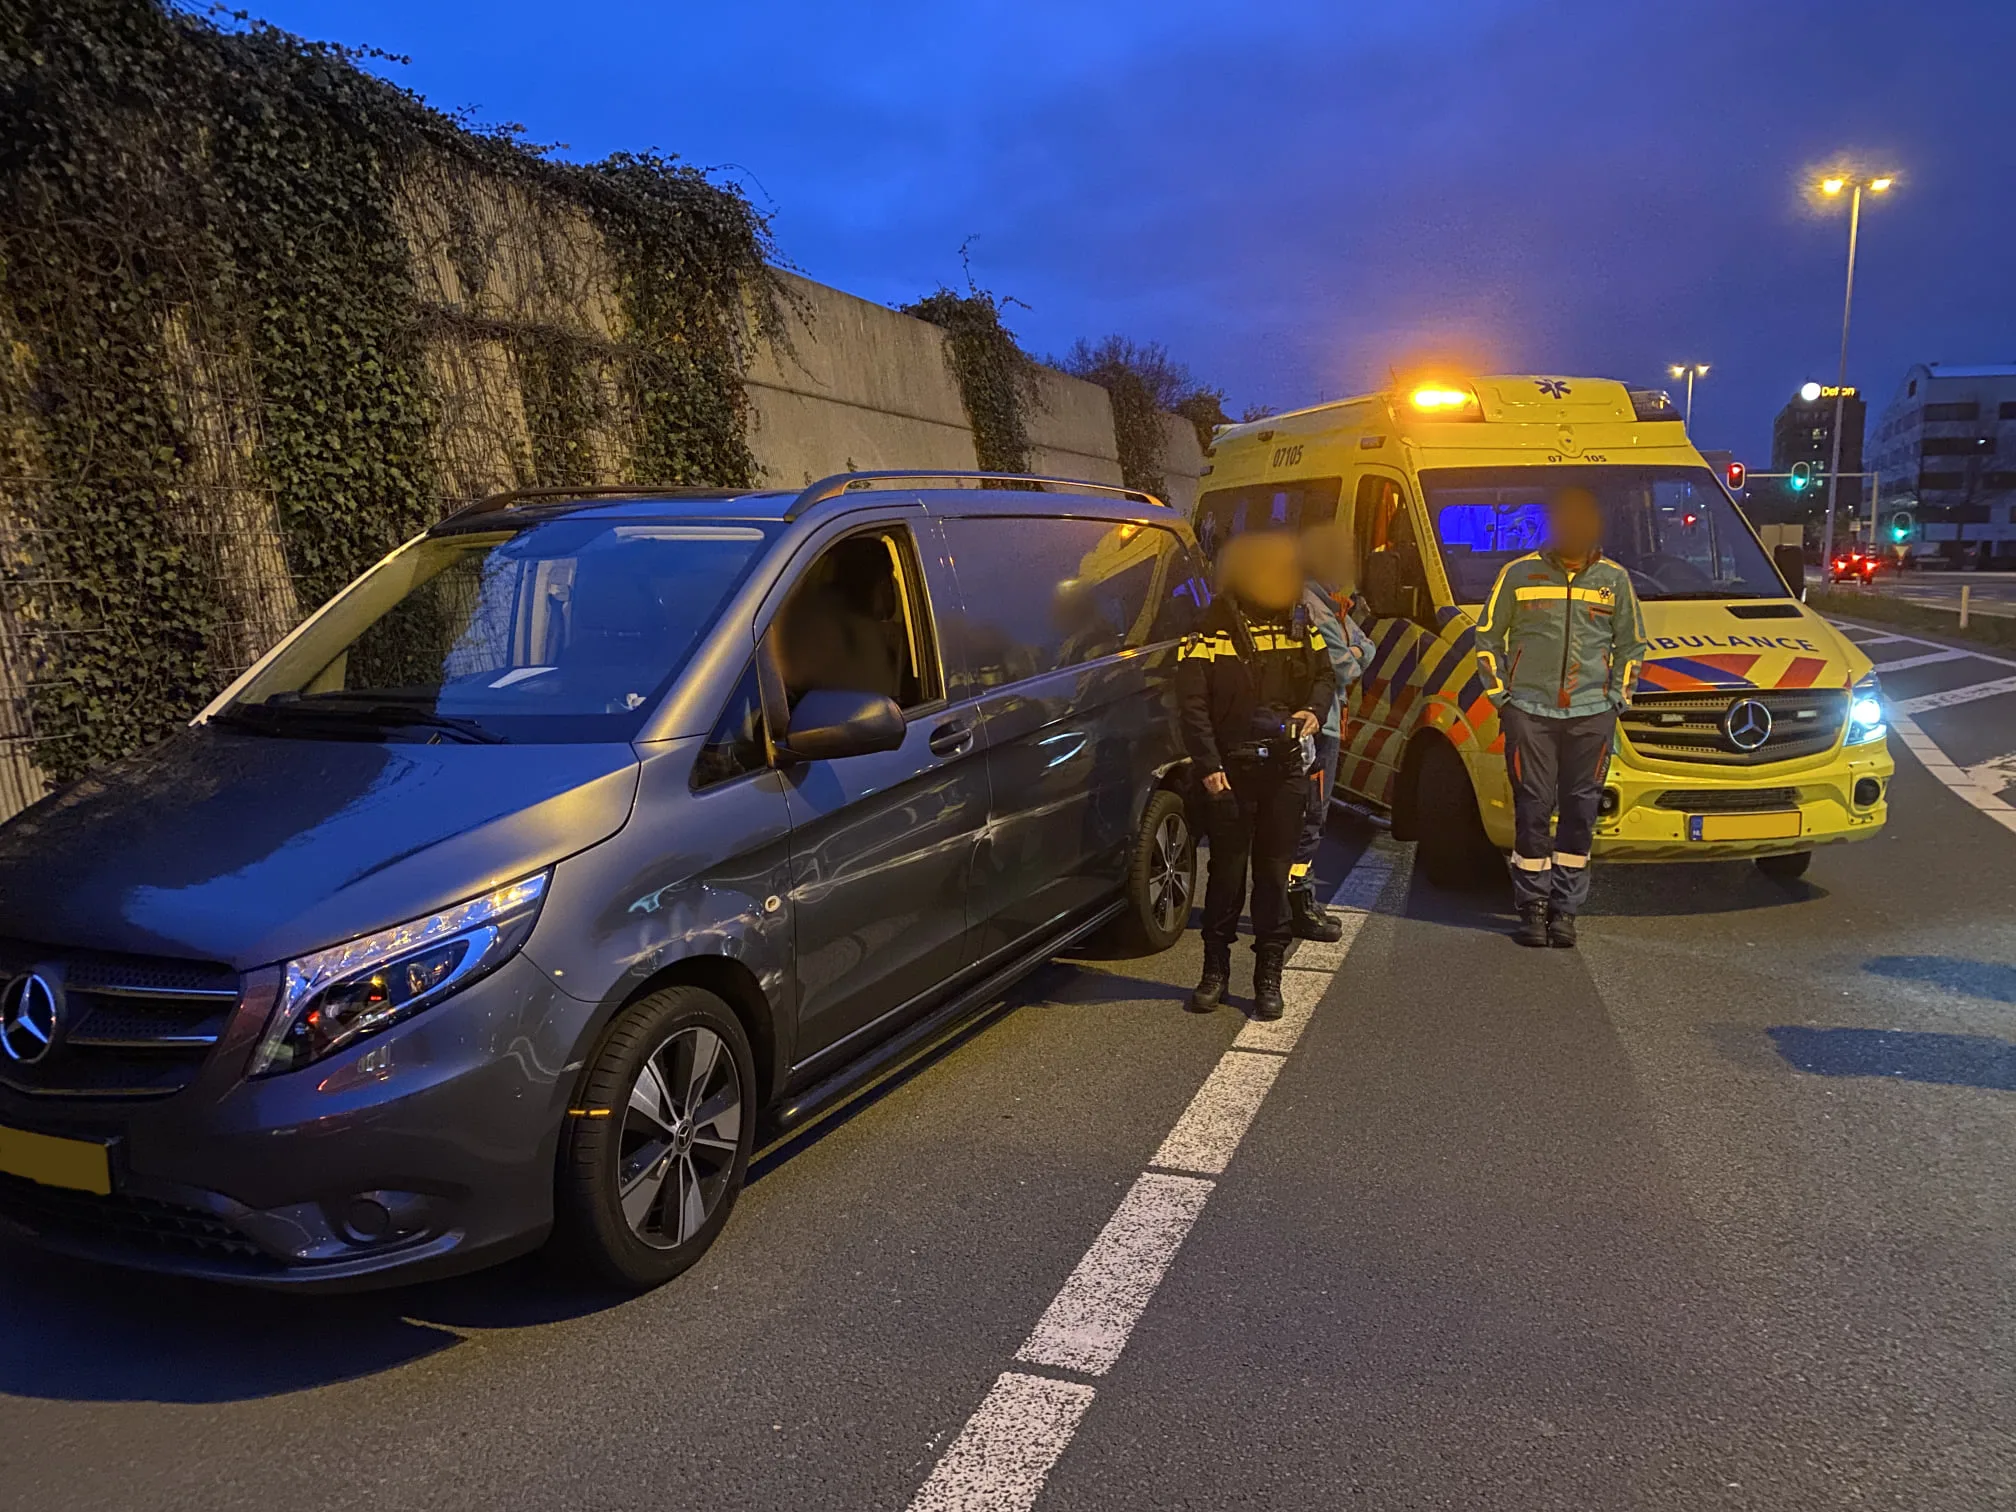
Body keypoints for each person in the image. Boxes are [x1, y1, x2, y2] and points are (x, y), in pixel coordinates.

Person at [1475, 485, 1648, 948]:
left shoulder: (1614, 580)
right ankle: (1532, 906)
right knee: (1532, 809)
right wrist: (1502, 699)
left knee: (1580, 812)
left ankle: (1565, 909)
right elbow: (1487, 637)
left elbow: (1632, 645)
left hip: (1591, 715)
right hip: (1530, 713)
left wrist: (1616, 701)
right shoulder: (1518, 574)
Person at [1177, 527, 1337, 1019]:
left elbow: (1325, 674)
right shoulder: (1209, 627)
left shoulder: (1298, 621)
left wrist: (1314, 710)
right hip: (1230, 771)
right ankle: (1214, 972)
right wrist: (1208, 766)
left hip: (1284, 770)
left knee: (1272, 876)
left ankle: (1269, 976)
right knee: (1226, 875)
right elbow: (1191, 703)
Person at [1288, 520, 1377, 941]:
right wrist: (1354, 652)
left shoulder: (1332, 603)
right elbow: (1344, 667)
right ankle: (1297, 903)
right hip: (1316, 725)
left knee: (1312, 815)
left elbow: (1365, 647)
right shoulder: (1311, 605)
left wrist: (1353, 650)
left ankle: (1297, 899)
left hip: (1326, 721)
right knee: (1310, 816)